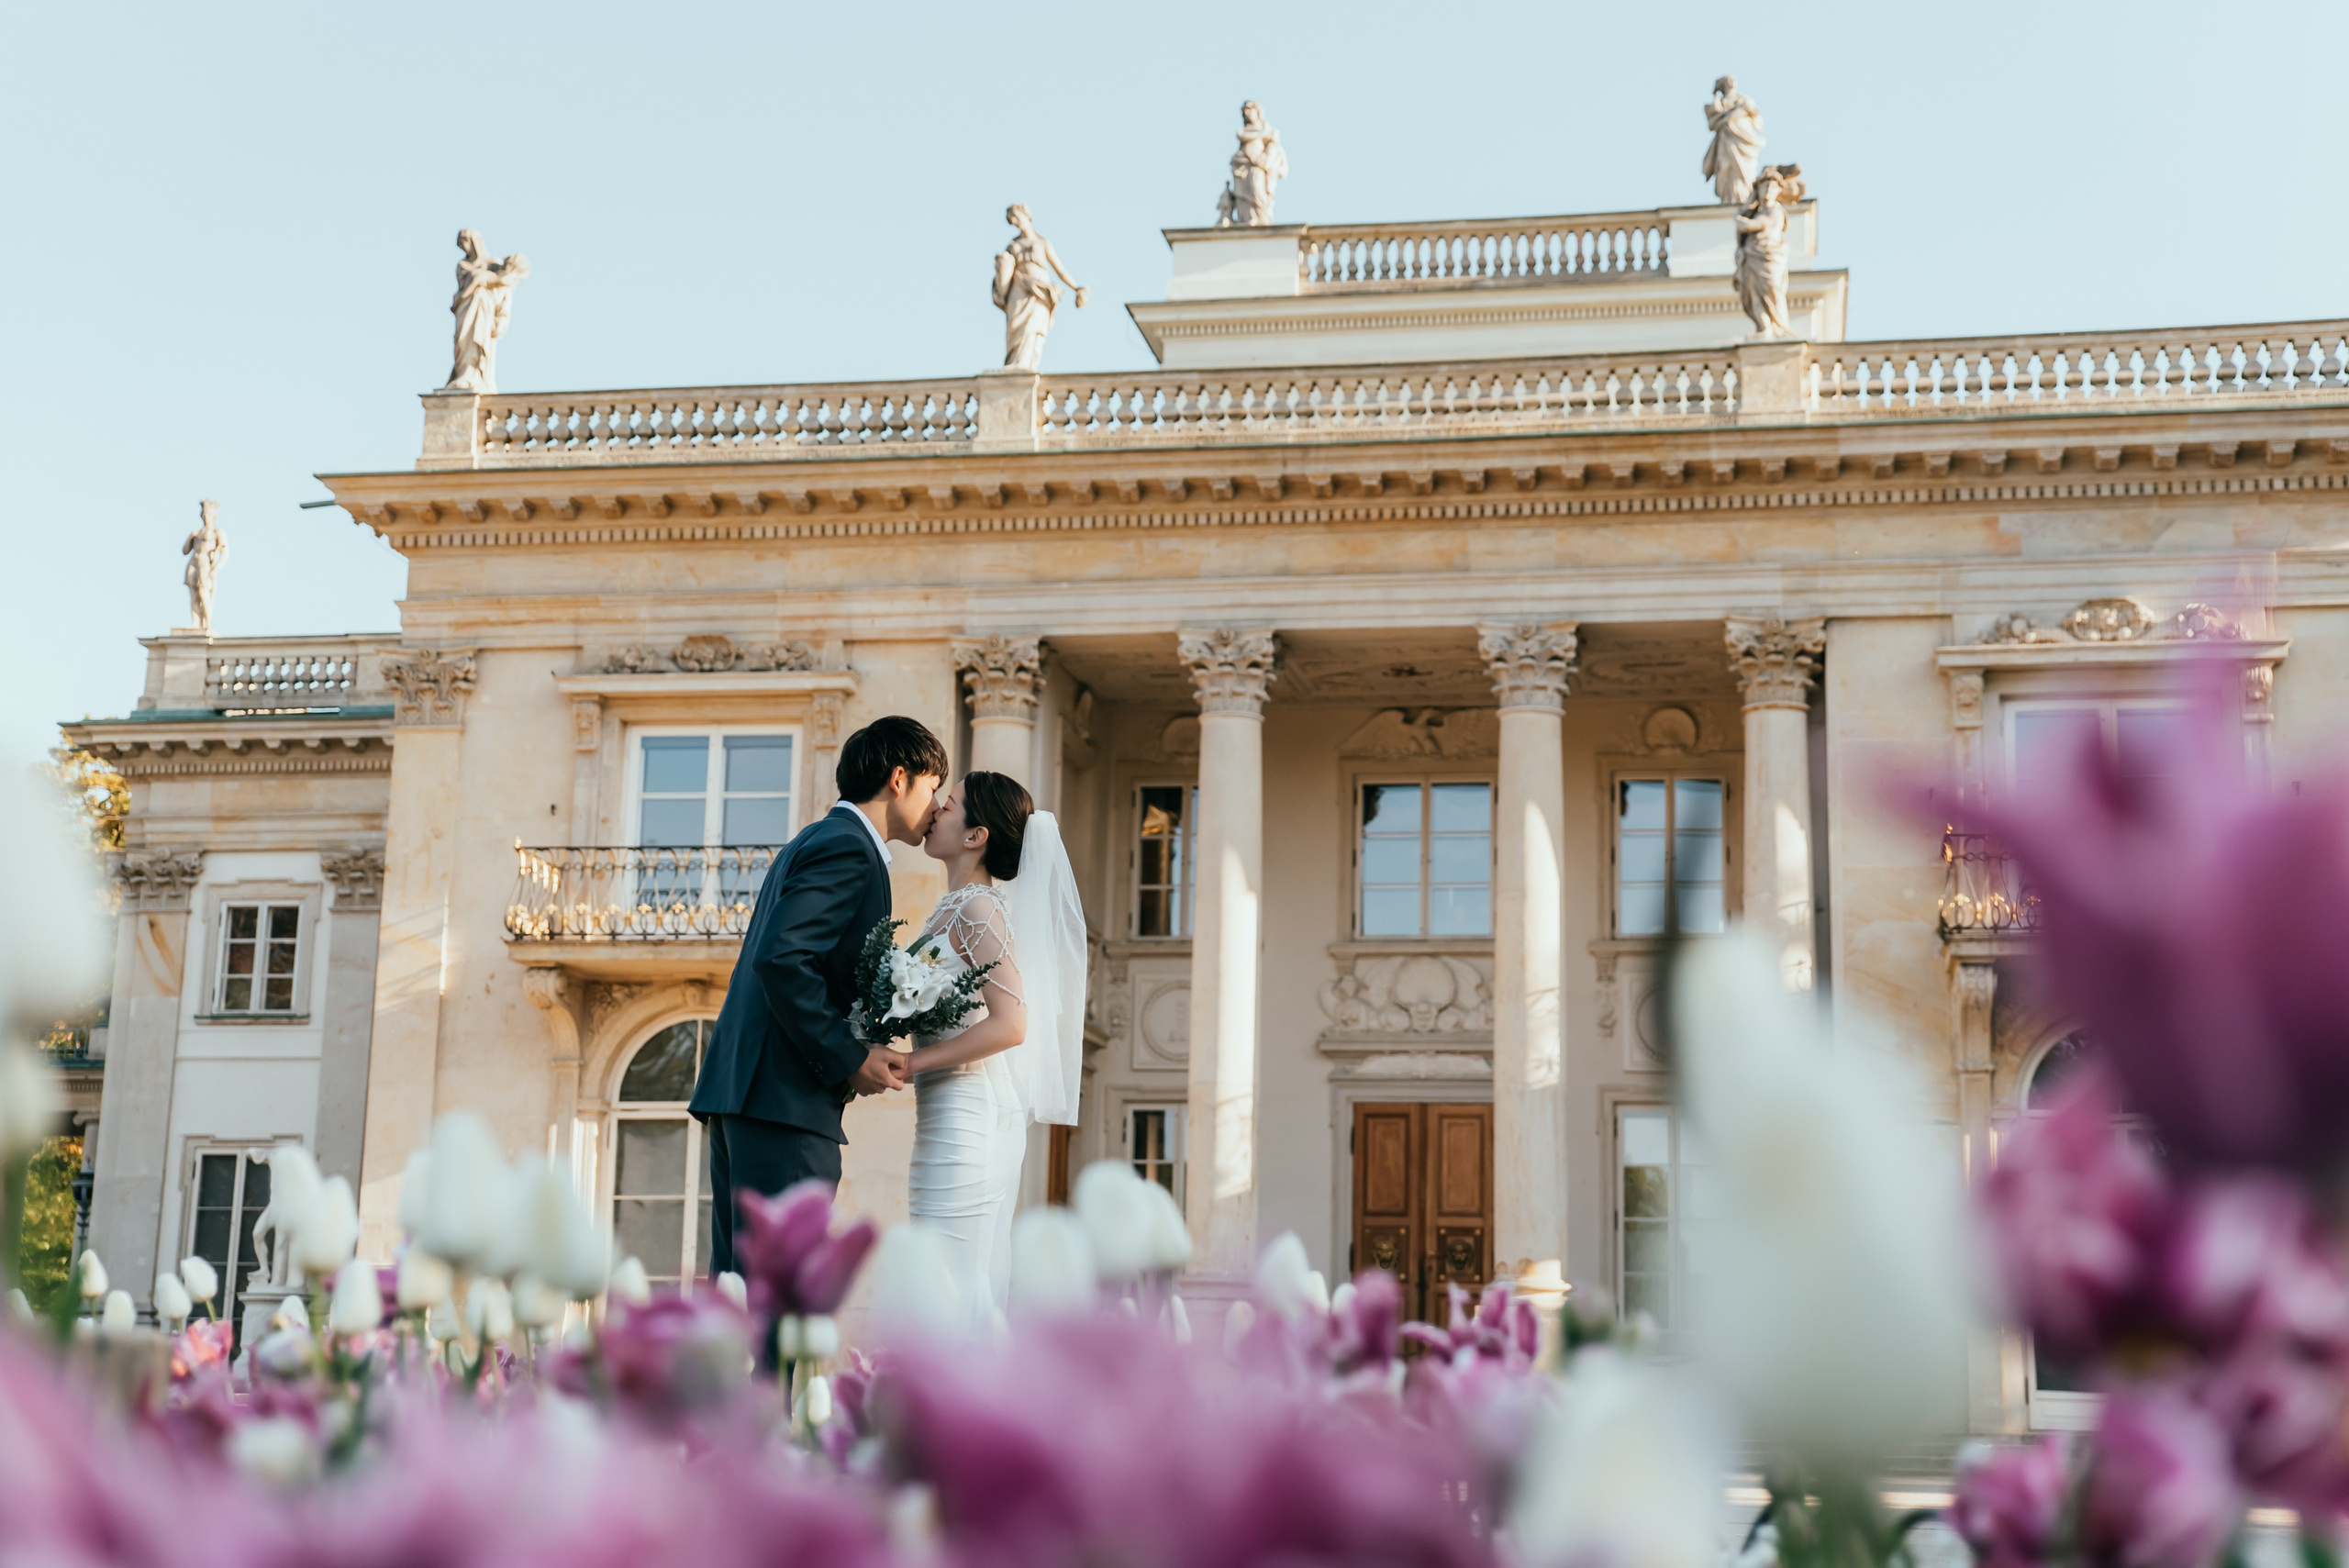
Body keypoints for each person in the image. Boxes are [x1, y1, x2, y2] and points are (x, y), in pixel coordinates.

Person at [688, 716, 946, 1273]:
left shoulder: (818, 838)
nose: (936, 807)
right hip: (783, 1102)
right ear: (899, 778)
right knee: (779, 1298)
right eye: (933, 788)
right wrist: (849, 1057)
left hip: (752, 1095)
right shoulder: (848, 848)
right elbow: (782, 958)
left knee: (742, 1296)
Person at [904, 771, 1086, 1323]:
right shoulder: (952, 906)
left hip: (969, 1118)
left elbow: (1011, 1025)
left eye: (950, 804)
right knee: (941, 1280)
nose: (935, 808)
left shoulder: (978, 910)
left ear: (975, 835)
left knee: (952, 1286)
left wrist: (915, 1062)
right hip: (942, 1115)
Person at [992, 206, 1086, 373]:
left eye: (1016, 217)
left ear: (1027, 216)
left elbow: (1060, 270)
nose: (1014, 222)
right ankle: (1014, 363)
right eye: (1011, 220)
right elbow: (1004, 273)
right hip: (1019, 287)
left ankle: (1025, 365)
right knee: (1016, 326)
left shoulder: (1042, 243)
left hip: (1039, 291)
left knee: (1032, 327)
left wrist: (1076, 288)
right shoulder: (1013, 245)